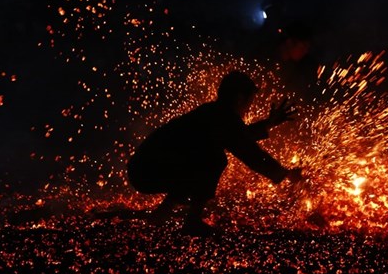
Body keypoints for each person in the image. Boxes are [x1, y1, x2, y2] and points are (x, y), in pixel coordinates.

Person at [126, 70, 303, 236]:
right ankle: (191, 221)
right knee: (214, 158)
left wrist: (268, 123)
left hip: (145, 168)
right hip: (148, 172)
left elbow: (238, 137)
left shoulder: (214, 113)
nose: (249, 108)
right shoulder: (222, 117)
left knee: (203, 153)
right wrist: (284, 173)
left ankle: (166, 210)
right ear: (240, 98)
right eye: (250, 101)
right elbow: (249, 152)